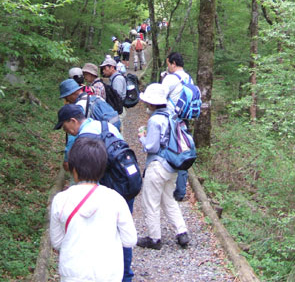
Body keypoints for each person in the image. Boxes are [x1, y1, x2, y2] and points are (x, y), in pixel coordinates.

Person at [54, 104, 137, 282]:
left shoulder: (84, 140)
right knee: (121, 232)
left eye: (64, 127)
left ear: (73, 121)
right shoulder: (107, 126)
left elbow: (58, 241)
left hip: (100, 189)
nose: (66, 131)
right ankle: (125, 275)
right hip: (124, 185)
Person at [136, 84, 190, 249]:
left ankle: (154, 238)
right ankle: (182, 232)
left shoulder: (155, 120)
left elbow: (151, 146)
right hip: (172, 166)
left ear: (152, 103)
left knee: (151, 202)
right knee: (169, 200)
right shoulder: (173, 115)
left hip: (157, 165)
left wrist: (142, 138)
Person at [161, 52, 192, 201]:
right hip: (184, 120)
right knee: (182, 151)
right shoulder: (189, 78)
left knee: (167, 151)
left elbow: (159, 97)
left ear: (173, 63)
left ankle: (166, 187)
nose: (168, 67)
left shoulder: (170, 79)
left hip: (170, 120)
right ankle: (180, 191)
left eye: (168, 64)